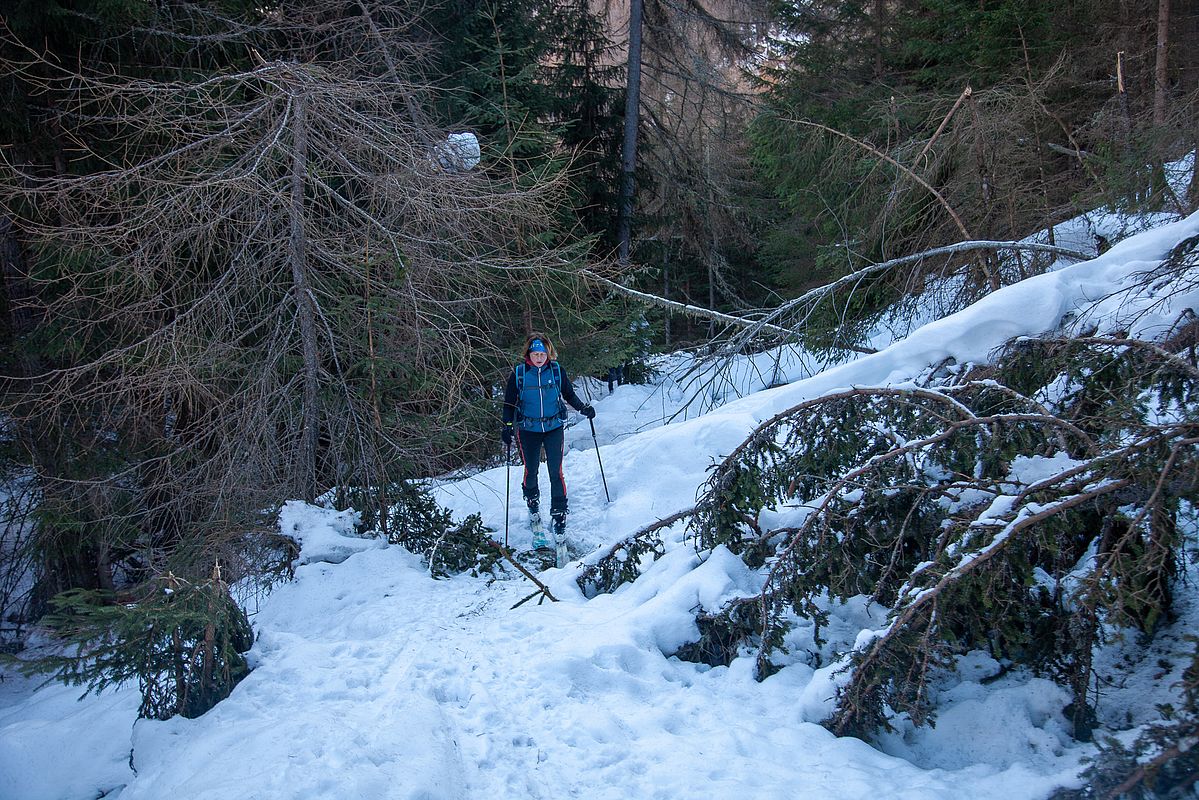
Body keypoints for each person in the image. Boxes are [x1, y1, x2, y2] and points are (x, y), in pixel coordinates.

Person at [501, 333, 595, 549]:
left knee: (556, 472)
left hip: (553, 427)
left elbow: (569, 395)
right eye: (535, 354)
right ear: (529, 354)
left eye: (542, 354)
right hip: (528, 429)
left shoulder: (556, 371)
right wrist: (507, 426)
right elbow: (509, 404)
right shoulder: (519, 374)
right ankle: (533, 503)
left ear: (548, 353)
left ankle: (559, 513)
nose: (539, 358)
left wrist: (583, 408)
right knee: (531, 469)